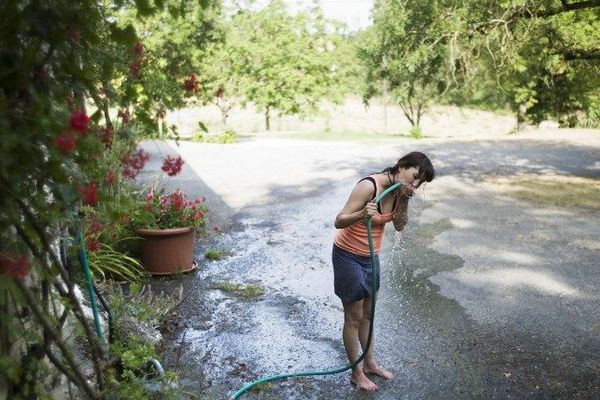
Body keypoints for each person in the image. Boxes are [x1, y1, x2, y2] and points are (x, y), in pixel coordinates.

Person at [332, 151, 435, 391]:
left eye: (421, 183)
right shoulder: (369, 186)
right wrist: (360, 214)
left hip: (371, 256)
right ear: (401, 166)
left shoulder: (399, 192)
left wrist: (406, 198)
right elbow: (339, 220)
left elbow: (399, 226)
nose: (416, 184)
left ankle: (369, 364)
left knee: (368, 315)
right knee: (354, 317)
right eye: (415, 176)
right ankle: (356, 373)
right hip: (348, 256)